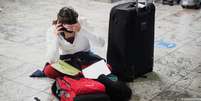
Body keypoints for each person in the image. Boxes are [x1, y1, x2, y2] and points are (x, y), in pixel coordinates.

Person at [31, 7, 106, 79]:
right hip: (67, 61)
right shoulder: (52, 31)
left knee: (104, 65)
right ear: (60, 26)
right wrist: (55, 37)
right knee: (48, 70)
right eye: (68, 31)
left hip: (85, 57)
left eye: (74, 30)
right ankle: (84, 75)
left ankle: (78, 75)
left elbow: (101, 43)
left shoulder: (83, 23)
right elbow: (52, 60)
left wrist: (81, 30)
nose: (71, 33)